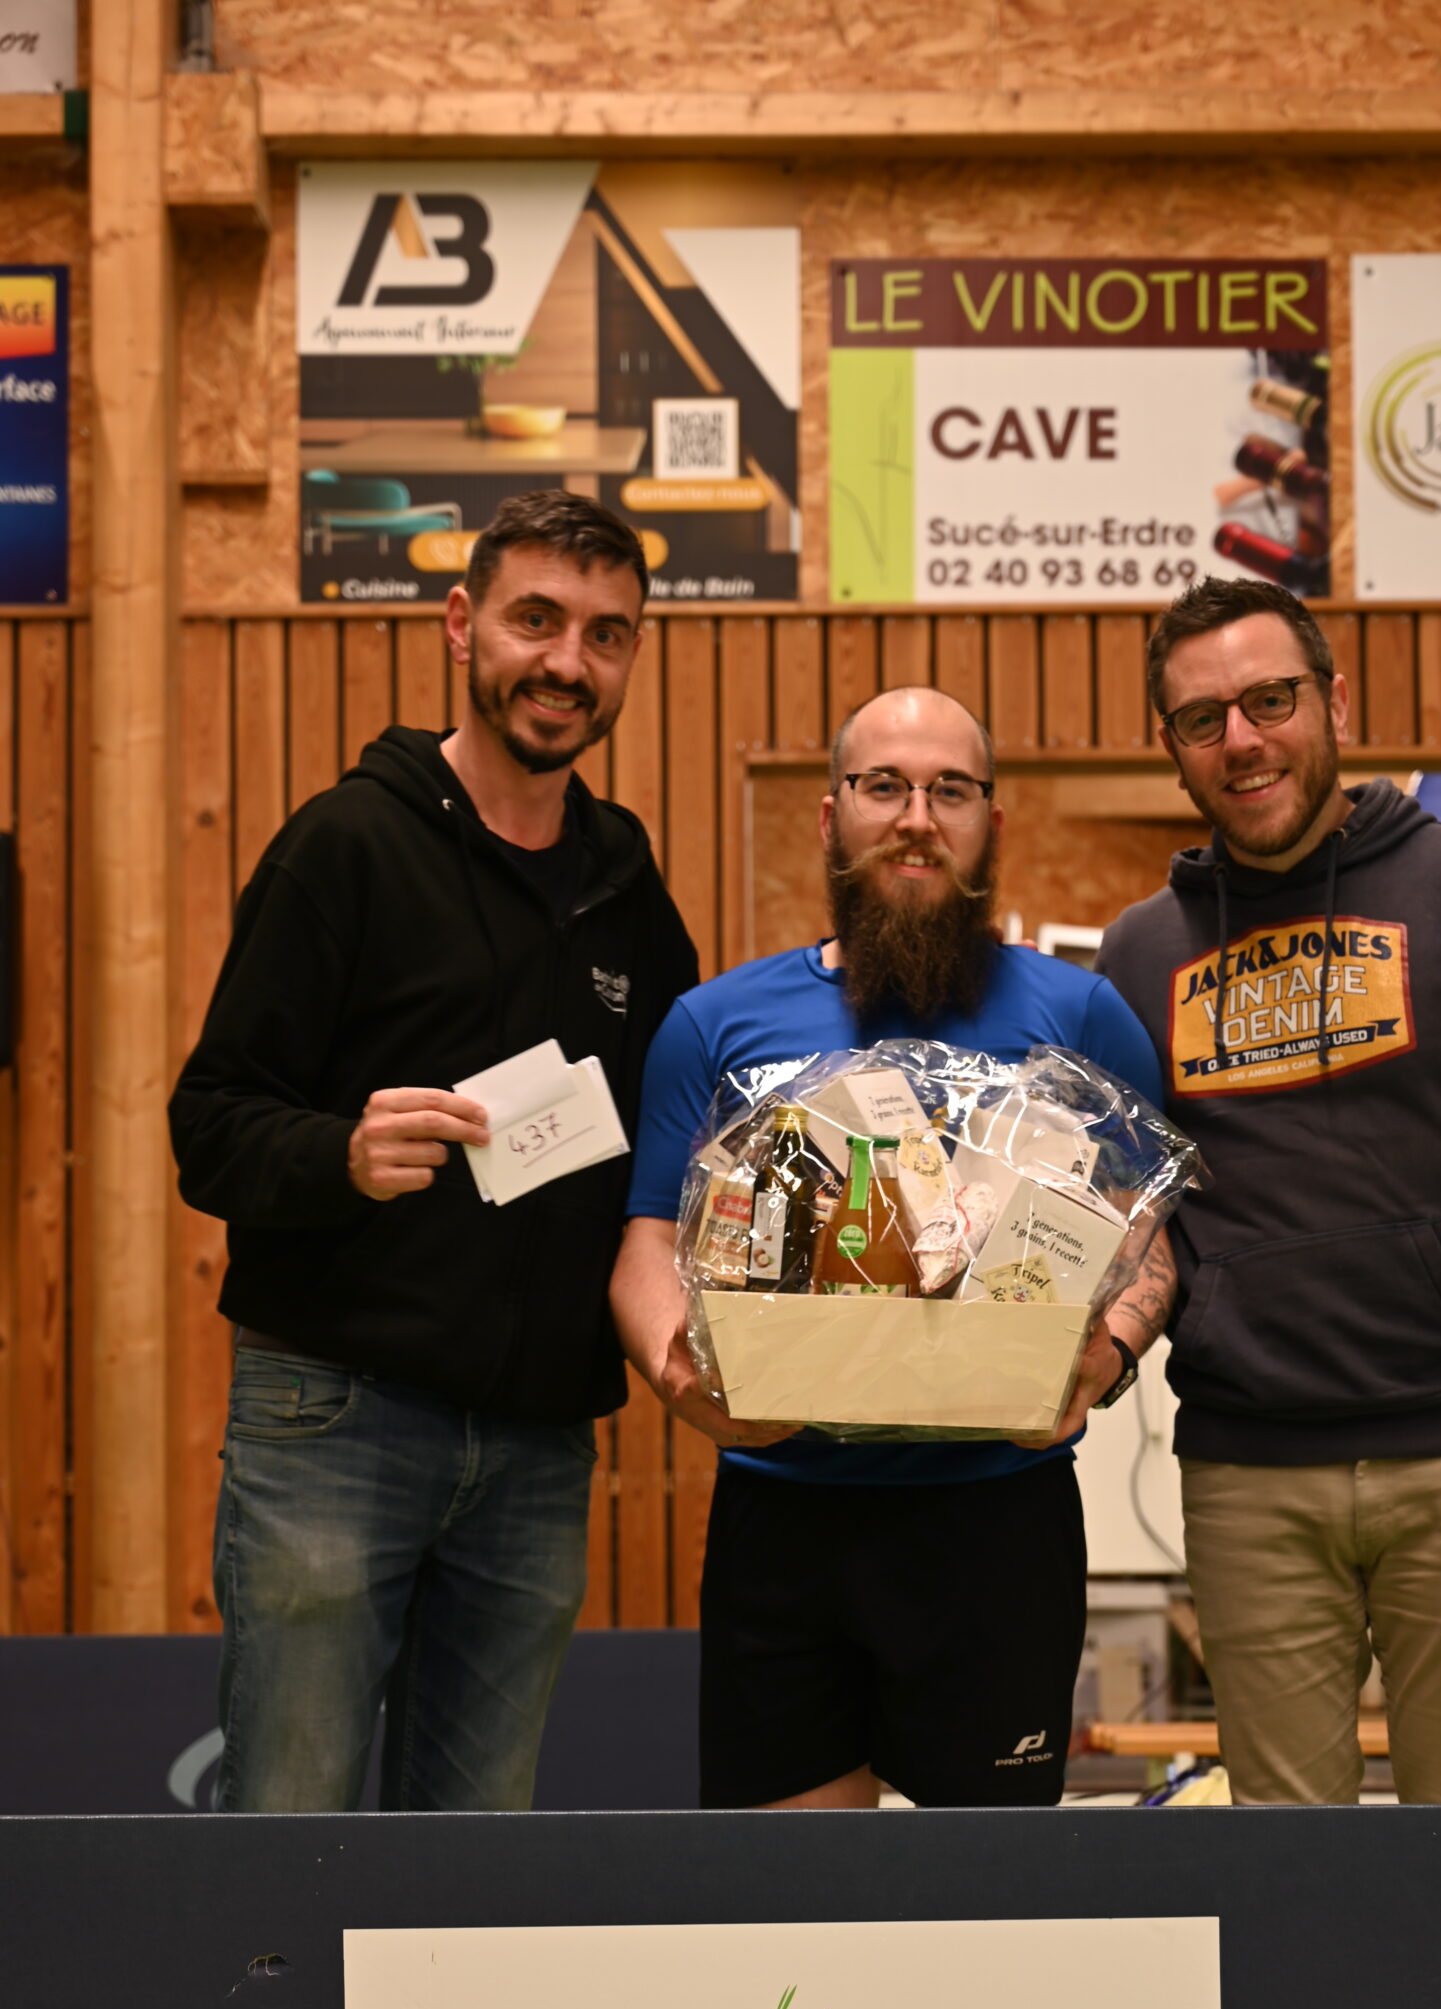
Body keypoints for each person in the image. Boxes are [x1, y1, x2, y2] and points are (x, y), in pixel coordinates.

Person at [170, 492, 696, 1812]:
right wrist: (341, 1153)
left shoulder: (630, 897)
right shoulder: (345, 845)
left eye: (605, 635)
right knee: (289, 1830)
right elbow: (210, 1124)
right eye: (536, 620)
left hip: (537, 1447)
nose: (567, 663)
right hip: (334, 1419)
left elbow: (669, 1159)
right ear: (462, 625)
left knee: (476, 1865)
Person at [1095, 575, 1441, 1807]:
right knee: (1282, 1859)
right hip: (1245, 1472)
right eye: (1202, 719)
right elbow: (1131, 1215)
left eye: (1269, 700)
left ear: (1333, 703)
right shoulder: (1139, 953)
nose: (1241, 739)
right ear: (1172, 747)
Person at [611, 684, 1176, 1811]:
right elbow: (648, 1240)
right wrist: (681, 1378)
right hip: (782, 1505)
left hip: (997, 1511)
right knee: (791, 1885)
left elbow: (1151, 1236)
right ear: (832, 815)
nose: (916, 818)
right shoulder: (715, 1023)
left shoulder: (1082, 1016)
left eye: (949, 791)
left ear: (989, 824)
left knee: (983, 1893)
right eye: (884, 787)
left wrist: (1103, 1357)